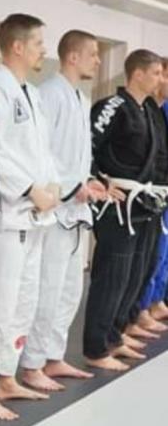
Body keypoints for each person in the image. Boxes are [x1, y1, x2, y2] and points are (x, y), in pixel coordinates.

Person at [0, 14, 61, 420]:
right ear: (18, 46)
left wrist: (52, 185)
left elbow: (42, 151)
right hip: (9, 217)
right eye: (38, 43)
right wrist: (29, 188)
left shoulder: (32, 94)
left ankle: (6, 375)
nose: (44, 50)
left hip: (36, 217)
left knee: (24, 302)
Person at [19, 30, 107, 390]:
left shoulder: (80, 98)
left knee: (70, 289)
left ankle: (54, 356)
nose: (98, 61)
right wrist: (71, 187)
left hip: (77, 208)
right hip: (56, 208)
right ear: (73, 56)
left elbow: (76, 154)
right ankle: (32, 364)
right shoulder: (49, 95)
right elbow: (45, 153)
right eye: (93, 54)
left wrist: (90, 180)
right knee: (49, 288)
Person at [82, 49, 163, 370]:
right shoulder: (112, 106)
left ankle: (114, 335)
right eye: (155, 73)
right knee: (112, 277)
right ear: (138, 74)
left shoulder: (148, 110)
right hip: (117, 206)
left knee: (135, 274)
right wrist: (98, 180)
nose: (160, 79)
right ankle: (96, 347)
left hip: (144, 203)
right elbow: (87, 146)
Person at [131, 58, 168, 333]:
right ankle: (143, 306)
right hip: (152, 190)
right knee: (153, 253)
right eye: (158, 74)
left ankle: (156, 301)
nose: (160, 80)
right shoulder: (154, 111)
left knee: (163, 253)